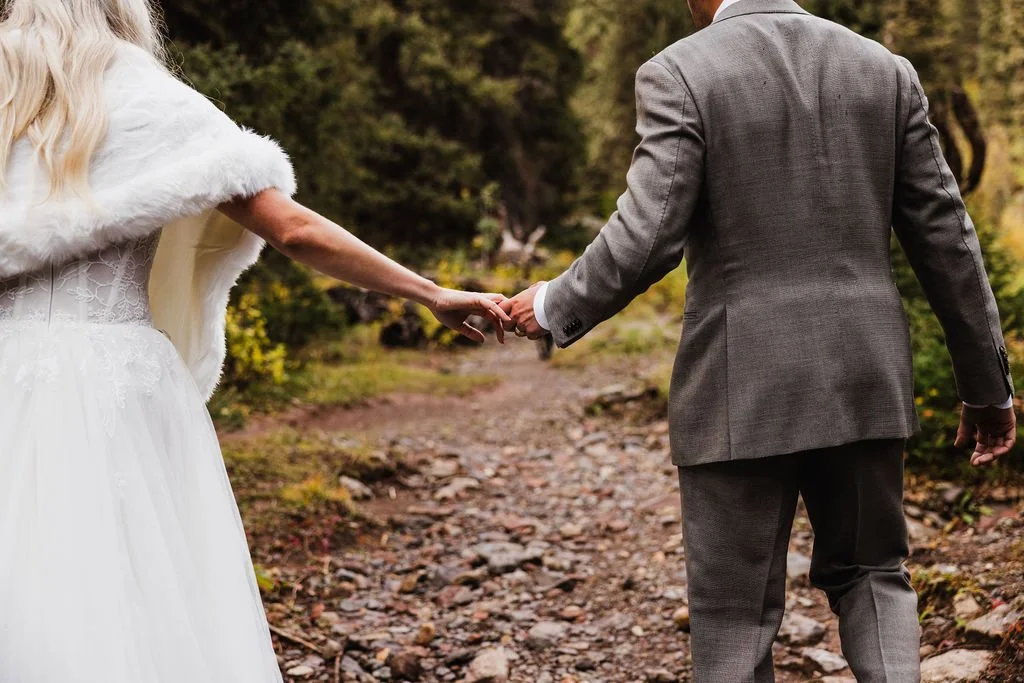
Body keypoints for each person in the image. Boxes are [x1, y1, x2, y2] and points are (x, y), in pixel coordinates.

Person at [502, 0, 1016, 680]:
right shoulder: (884, 71)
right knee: (873, 574)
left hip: (738, 386)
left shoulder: (681, 72)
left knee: (733, 615)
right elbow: (948, 237)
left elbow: (649, 233)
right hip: (865, 377)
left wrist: (552, 301)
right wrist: (987, 386)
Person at [0, 1, 508, 681]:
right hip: (112, 380)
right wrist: (432, 293)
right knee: (131, 591)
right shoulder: (144, 96)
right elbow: (294, 230)